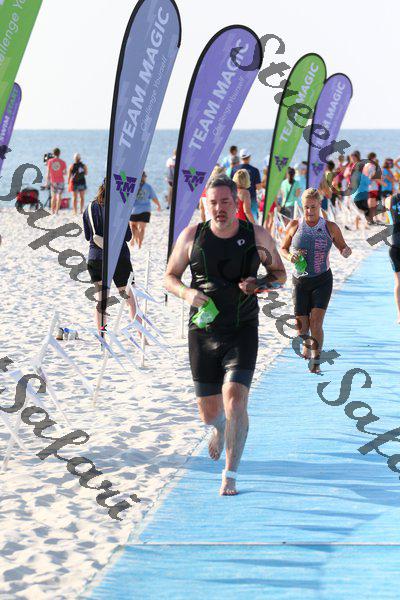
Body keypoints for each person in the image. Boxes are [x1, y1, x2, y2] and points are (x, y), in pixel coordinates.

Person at [164, 174, 286, 496]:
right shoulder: (191, 236)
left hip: (242, 329)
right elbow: (169, 277)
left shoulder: (256, 235)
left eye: (225, 202)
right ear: (205, 204)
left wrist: (259, 283)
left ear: (237, 203)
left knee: (235, 398)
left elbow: (280, 275)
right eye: (213, 203)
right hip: (202, 332)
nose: (219, 208)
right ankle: (220, 428)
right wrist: (187, 293)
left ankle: (230, 473)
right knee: (209, 413)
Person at [281, 188, 352, 374]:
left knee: (316, 323)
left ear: (320, 205)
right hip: (300, 281)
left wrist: (346, 251)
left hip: (322, 280)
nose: (309, 211)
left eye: (313, 207)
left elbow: (343, 247)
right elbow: (283, 248)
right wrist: (289, 257)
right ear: (302, 206)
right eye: (306, 207)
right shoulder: (294, 226)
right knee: (302, 329)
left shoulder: (330, 227)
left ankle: (316, 360)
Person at [83, 181, 137, 332]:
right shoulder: (121, 207)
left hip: (96, 258)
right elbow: (128, 236)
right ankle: (141, 337)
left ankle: (102, 336)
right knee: (131, 301)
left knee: (101, 301)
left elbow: (88, 236)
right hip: (119, 258)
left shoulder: (89, 208)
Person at [129, 172, 161, 249]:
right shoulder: (148, 186)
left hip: (134, 210)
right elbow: (153, 197)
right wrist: (158, 205)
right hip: (146, 210)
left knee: (133, 226)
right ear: (144, 177)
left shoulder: (132, 185)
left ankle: (135, 237)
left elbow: (127, 198)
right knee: (142, 228)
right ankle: (140, 243)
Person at [230, 149, 261, 221]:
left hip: (236, 196)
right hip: (251, 197)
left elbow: (231, 183)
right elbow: (258, 187)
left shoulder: (234, 169)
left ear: (241, 158)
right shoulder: (255, 170)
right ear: (249, 157)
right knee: (252, 218)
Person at [385, 193, 400, 323]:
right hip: (395, 246)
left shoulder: (389, 199)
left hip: (395, 245)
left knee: (398, 282)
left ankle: (399, 315)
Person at [46, 148, 66, 215]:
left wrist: (47, 182)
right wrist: (60, 172)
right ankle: (57, 211)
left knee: (53, 196)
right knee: (59, 196)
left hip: (53, 181)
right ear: (59, 153)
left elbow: (48, 173)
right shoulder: (63, 162)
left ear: (53, 153)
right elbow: (65, 172)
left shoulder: (50, 161)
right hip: (61, 180)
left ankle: (52, 211)